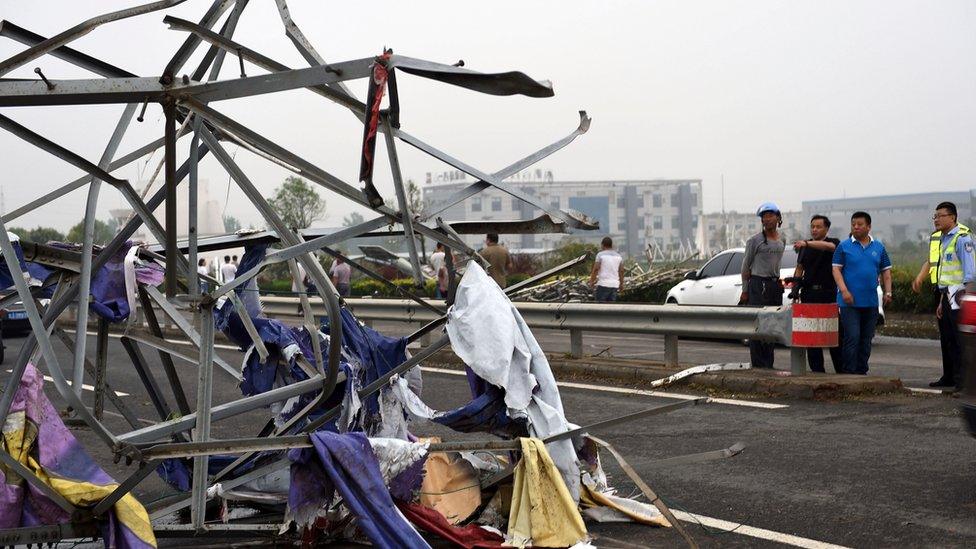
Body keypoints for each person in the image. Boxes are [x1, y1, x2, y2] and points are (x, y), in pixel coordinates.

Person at [911, 202, 974, 390]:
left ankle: (964, 382)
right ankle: (951, 377)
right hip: (945, 295)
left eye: (940, 216)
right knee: (947, 338)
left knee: (959, 339)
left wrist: (966, 299)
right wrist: (940, 299)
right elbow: (939, 268)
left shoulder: (963, 238)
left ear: (952, 217)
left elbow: (970, 273)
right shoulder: (941, 239)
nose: (936, 220)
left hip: (959, 296)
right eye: (935, 216)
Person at [831, 211, 893, 375]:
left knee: (866, 339)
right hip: (848, 302)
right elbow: (836, 270)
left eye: (860, 224)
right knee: (853, 336)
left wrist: (888, 293)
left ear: (869, 226)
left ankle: (861, 370)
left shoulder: (878, 247)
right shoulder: (843, 247)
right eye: (853, 224)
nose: (856, 227)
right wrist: (844, 291)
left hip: (871, 302)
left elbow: (886, 272)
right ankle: (848, 371)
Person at [791, 215, 843, 373]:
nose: (814, 229)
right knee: (811, 336)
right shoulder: (805, 247)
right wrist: (795, 287)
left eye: (818, 227)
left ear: (826, 228)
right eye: (812, 226)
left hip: (828, 294)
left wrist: (806, 243)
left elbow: (828, 247)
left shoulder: (834, 242)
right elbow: (800, 268)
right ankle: (817, 371)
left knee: (834, 335)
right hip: (809, 294)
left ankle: (841, 371)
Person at [741, 202, 786, 369]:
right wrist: (745, 290)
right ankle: (758, 364)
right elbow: (745, 267)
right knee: (759, 324)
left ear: (778, 217)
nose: (767, 219)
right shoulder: (755, 241)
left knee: (772, 325)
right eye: (764, 217)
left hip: (774, 285)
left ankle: (769, 363)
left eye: (770, 216)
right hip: (758, 285)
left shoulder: (782, 239)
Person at [589, 236, 624, 302]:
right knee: (611, 309)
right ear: (611, 245)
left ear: (602, 245)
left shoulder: (600, 255)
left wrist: (591, 281)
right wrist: (621, 284)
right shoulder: (619, 256)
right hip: (614, 285)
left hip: (603, 284)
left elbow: (596, 269)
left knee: (600, 308)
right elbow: (621, 271)